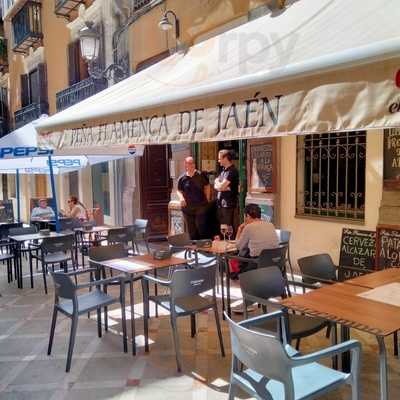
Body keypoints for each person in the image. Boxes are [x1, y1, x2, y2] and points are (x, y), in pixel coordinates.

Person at [177, 156, 211, 240]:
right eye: (189, 163)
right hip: (188, 208)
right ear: (185, 165)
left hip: (200, 206)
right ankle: (193, 248)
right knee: (191, 230)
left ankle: (203, 247)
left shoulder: (201, 175)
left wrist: (207, 198)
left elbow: (207, 186)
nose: (191, 165)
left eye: (192, 163)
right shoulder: (182, 178)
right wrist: (181, 198)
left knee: (201, 227)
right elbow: (179, 190)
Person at [214, 149, 239, 233]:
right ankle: (225, 242)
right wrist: (218, 184)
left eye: (219, 159)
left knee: (229, 228)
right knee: (223, 228)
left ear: (225, 158)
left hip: (228, 204)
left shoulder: (232, 171)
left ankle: (230, 244)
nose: (218, 161)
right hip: (221, 203)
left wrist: (218, 184)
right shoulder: (223, 171)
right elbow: (216, 185)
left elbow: (220, 186)